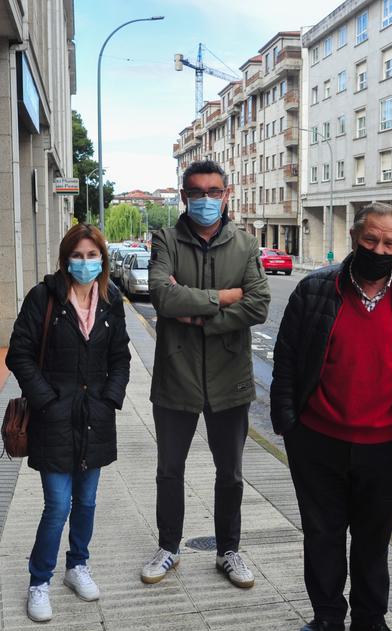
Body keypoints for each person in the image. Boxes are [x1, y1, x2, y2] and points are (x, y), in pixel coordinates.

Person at [270, 203, 392, 631]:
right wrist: (289, 425)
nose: (379, 250)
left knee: (372, 540)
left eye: (390, 243)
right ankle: (327, 615)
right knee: (322, 535)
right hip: (318, 442)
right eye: (371, 240)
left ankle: (370, 619)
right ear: (354, 237)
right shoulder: (314, 291)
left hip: (386, 448)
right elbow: (286, 360)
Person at [141, 159, 270, 589]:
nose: (206, 200)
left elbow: (257, 304)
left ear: (227, 194)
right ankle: (169, 547)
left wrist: (201, 317)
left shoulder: (246, 245)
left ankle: (228, 551)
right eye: (197, 192)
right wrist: (223, 297)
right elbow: (161, 295)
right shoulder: (166, 239)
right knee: (168, 470)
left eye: (214, 191)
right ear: (184, 196)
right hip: (175, 376)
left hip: (229, 378)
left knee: (230, 472)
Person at [6, 224, 131, 622]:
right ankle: (39, 581)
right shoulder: (44, 297)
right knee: (57, 505)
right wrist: (45, 400)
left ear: (102, 260)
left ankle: (77, 565)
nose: (84, 262)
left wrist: (110, 397)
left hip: (95, 417)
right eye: (77, 255)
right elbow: (19, 354)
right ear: (65, 258)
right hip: (53, 419)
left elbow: (120, 358)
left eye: (92, 255)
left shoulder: (111, 300)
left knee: (88, 501)